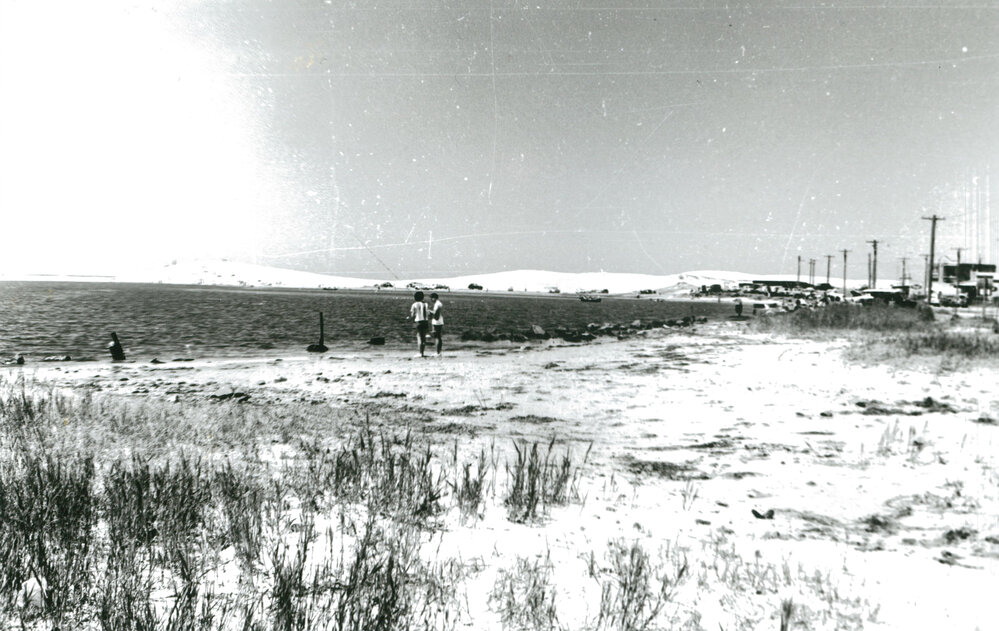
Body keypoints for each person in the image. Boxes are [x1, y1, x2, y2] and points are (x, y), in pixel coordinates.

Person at [409, 291, 430, 357]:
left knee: (419, 337)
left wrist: (411, 319)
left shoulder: (414, 304)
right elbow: (428, 313)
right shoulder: (426, 304)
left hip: (418, 321)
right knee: (423, 338)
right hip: (425, 321)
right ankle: (422, 352)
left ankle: (420, 353)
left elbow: (412, 315)